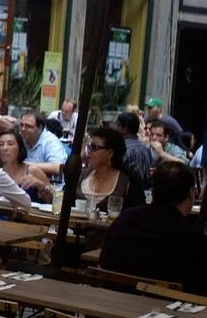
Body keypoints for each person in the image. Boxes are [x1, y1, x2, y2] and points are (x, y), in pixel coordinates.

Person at [100, 161, 207, 292]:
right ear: (191, 193)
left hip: (111, 300)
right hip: (165, 309)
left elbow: (103, 262)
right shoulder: (192, 239)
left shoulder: (124, 220)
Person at [78, 124, 131, 212]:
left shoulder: (126, 183)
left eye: (94, 147)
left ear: (110, 153)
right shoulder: (81, 175)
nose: (89, 151)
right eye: (90, 147)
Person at [0, 126, 53, 203]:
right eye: (1, 144)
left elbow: (52, 201)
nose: (5, 148)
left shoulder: (32, 170)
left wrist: (40, 185)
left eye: (10, 144)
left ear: (19, 147)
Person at [116, 111, 156, 197]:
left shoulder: (121, 149)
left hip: (122, 194)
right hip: (142, 194)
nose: (116, 129)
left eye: (118, 126)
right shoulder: (146, 148)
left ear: (125, 129)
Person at [18, 109, 67, 178]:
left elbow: (58, 167)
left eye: (28, 126)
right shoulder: (19, 139)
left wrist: (24, 165)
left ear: (40, 128)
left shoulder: (50, 141)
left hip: (52, 186)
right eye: (21, 125)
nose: (23, 129)